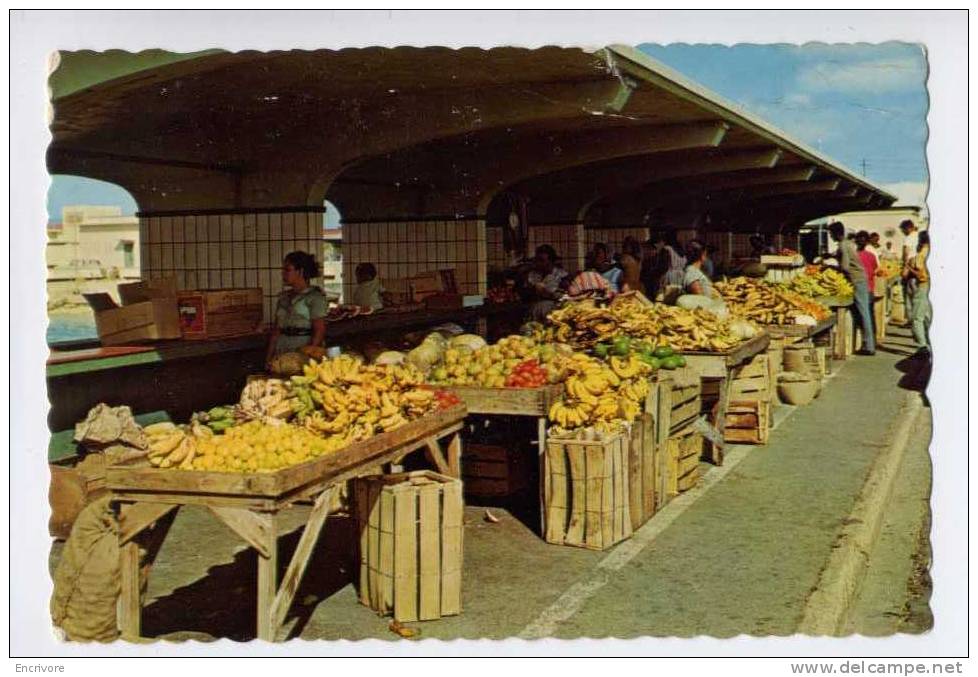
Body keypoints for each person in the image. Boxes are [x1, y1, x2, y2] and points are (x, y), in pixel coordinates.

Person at [265, 250, 328, 368]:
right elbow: (276, 330)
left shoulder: (315, 297)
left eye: (287, 270)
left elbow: (319, 330)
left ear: (300, 271)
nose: (283, 274)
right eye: (283, 270)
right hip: (282, 348)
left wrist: (307, 357)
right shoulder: (283, 297)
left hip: (302, 346)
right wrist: (269, 358)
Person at [828, 222, 875, 355]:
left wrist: (831, 268)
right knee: (861, 312)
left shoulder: (843, 245)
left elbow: (845, 267)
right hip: (859, 279)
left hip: (857, 280)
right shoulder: (847, 243)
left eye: (831, 234)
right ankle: (867, 343)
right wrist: (831, 256)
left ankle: (869, 346)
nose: (831, 237)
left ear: (837, 233)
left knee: (863, 312)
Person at [903, 230, 931, 354]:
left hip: (922, 286)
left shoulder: (920, 256)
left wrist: (909, 268)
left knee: (916, 318)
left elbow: (922, 276)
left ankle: (922, 345)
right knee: (926, 316)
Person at [526, 244, 569, 321]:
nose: (539, 263)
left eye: (542, 260)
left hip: (553, 312)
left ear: (551, 261)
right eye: (537, 260)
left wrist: (549, 294)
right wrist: (533, 289)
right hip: (534, 310)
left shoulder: (562, 276)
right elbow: (525, 294)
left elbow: (566, 297)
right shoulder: (532, 274)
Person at [855, 231, 879, 339]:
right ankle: (873, 338)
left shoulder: (854, 256)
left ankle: (866, 340)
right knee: (870, 314)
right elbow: (875, 268)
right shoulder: (871, 256)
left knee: (862, 316)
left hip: (859, 289)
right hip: (870, 288)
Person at [652, 231, 685, 298]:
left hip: (669, 277)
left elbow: (663, 267)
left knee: (665, 298)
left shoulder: (666, 249)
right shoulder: (681, 249)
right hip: (681, 277)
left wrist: (654, 273)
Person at [899, 219, 919, 325]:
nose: (902, 232)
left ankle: (911, 320)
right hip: (919, 267)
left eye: (903, 229)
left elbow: (906, 254)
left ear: (908, 228)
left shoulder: (908, 238)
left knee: (909, 294)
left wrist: (904, 269)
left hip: (910, 268)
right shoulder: (919, 236)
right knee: (917, 295)